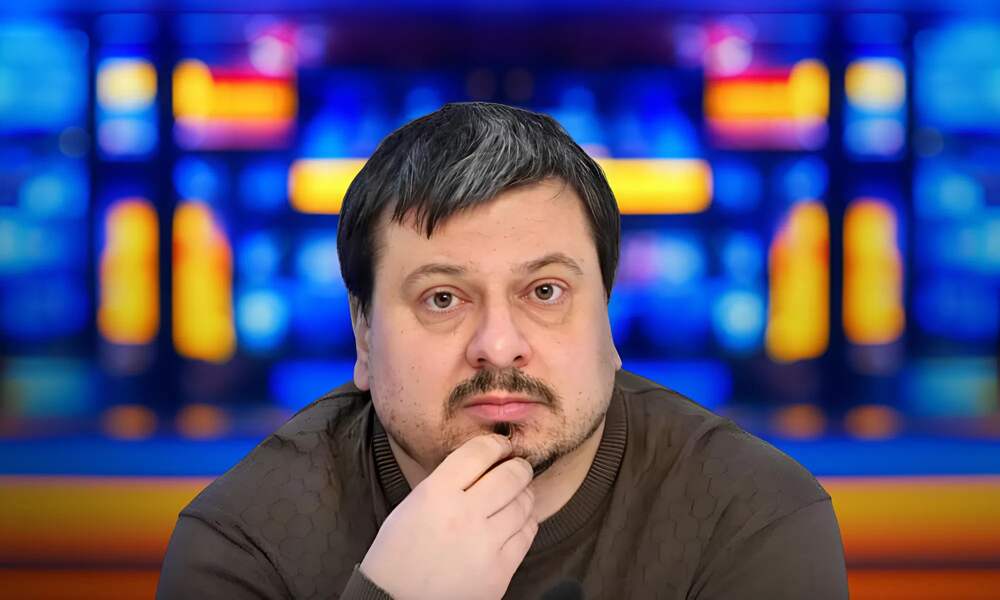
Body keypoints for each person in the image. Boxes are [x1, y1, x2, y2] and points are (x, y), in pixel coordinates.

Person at [158, 102, 849, 599]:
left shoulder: (751, 515)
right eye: (442, 298)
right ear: (363, 337)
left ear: (607, 324)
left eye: (545, 292)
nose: (498, 346)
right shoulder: (248, 541)